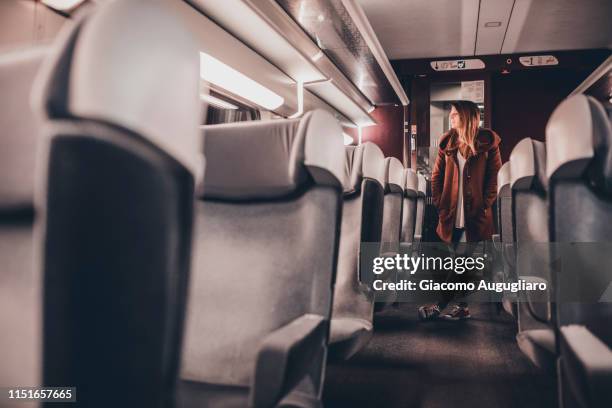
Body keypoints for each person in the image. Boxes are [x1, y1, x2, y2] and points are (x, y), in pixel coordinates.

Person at [418, 100, 502, 321]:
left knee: (461, 260)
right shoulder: (447, 143)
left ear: (466, 116)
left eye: (455, 114)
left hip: (476, 214)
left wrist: (485, 204)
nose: (451, 117)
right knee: (458, 261)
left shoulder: (488, 143)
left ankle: (439, 306)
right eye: (451, 114)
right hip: (451, 213)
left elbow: (495, 178)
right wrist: (440, 204)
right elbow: (436, 177)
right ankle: (463, 307)